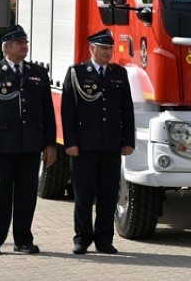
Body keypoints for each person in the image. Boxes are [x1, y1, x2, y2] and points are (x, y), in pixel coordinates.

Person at [0, 24, 57, 256]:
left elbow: (47, 111)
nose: (25, 46)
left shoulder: (38, 74)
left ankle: (23, 240)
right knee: (0, 195)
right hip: (2, 144)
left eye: (25, 42)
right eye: (20, 43)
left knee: (26, 195)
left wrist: (50, 143)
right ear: (7, 47)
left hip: (30, 144)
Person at [61, 29, 135, 255]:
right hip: (84, 145)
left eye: (110, 48)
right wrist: (70, 142)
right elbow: (68, 112)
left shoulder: (119, 74)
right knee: (83, 195)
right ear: (92, 49)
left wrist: (128, 140)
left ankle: (104, 239)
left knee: (108, 195)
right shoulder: (77, 73)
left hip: (110, 145)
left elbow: (127, 110)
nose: (108, 52)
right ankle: (82, 238)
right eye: (103, 48)